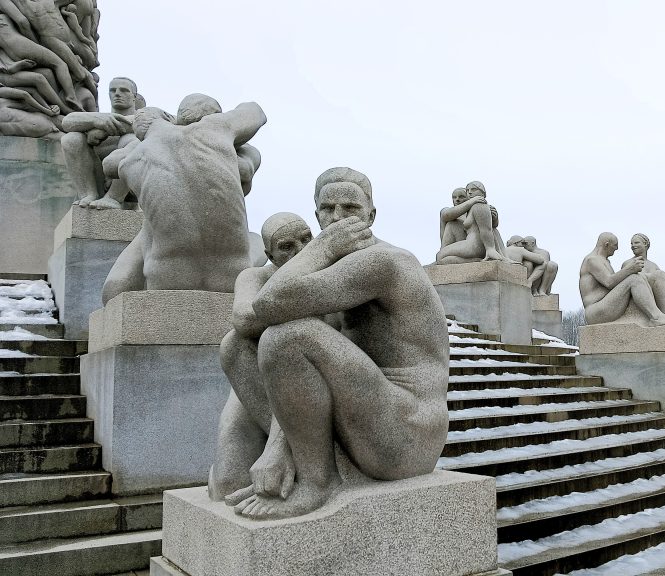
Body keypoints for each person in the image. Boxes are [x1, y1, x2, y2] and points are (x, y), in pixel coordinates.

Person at [223, 167, 449, 519]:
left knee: (288, 337)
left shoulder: (382, 262)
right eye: (327, 210)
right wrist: (278, 444)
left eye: (350, 208)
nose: (338, 218)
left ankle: (317, 482)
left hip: (408, 434)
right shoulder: (331, 270)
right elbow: (248, 321)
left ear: (371, 216)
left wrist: (322, 245)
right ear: (316, 215)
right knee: (235, 346)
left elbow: (269, 304)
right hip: (364, 418)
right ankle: (299, 458)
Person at [100, 100, 266, 301]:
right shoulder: (216, 128)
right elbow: (256, 112)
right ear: (170, 119)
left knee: (151, 225)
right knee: (255, 239)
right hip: (233, 275)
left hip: (165, 278)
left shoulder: (131, 158)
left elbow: (108, 165)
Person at [209, 212, 313, 501]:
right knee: (228, 484)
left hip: (307, 389)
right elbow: (242, 319)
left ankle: (296, 455)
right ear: (269, 255)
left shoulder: (330, 270)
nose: (301, 251)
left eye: (307, 239)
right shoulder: (256, 276)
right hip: (255, 386)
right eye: (287, 246)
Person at [61, 77, 139, 207]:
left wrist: (104, 130)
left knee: (133, 139)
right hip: (98, 177)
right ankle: (88, 195)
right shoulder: (100, 118)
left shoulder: (143, 116)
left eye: (124, 90)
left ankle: (113, 198)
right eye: (113, 90)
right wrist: (96, 120)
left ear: (134, 97)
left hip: (131, 186)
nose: (117, 94)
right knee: (71, 139)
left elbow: (145, 123)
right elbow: (67, 122)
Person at [579, 232, 665, 326]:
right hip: (596, 311)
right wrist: (630, 269)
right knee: (634, 279)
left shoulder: (604, 261)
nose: (617, 249)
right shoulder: (592, 260)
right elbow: (609, 282)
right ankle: (656, 317)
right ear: (606, 245)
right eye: (615, 246)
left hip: (605, 305)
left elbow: (616, 284)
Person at [435, 180, 511, 264]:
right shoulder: (449, 211)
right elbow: (446, 215)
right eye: (454, 197)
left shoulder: (477, 206)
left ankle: (475, 259)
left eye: (461, 197)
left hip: (474, 246)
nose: (457, 200)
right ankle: (474, 261)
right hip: (463, 245)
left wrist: (494, 217)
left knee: (440, 257)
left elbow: (490, 229)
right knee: (452, 224)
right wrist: (472, 201)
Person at [621, 233, 665, 318]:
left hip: (653, 295)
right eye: (631, 243)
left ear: (645, 244)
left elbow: (662, 285)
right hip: (640, 295)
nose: (633, 246)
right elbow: (627, 283)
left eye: (636, 243)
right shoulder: (628, 263)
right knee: (660, 274)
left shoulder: (653, 265)